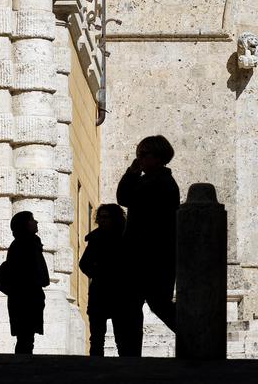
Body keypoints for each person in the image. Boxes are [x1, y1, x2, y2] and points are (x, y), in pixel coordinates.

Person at [117, 135, 180, 354]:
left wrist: (131, 175)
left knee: (156, 303)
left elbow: (125, 198)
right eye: (138, 154)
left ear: (159, 156)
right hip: (142, 254)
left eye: (144, 154)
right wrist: (133, 174)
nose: (139, 159)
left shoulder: (161, 183)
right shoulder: (149, 180)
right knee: (134, 305)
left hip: (152, 256)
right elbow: (124, 198)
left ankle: (195, 334)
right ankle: (130, 354)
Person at [80, 204, 140, 356]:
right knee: (96, 339)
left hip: (121, 294)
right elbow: (84, 263)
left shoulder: (126, 238)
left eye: (105, 217)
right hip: (99, 293)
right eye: (99, 217)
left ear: (115, 218)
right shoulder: (95, 238)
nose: (101, 220)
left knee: (122, 339)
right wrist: (99, 273)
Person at [6, 211, 50, 354]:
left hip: (27, 296)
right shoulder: (25, 244)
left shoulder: (29, 243)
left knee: (26, 337)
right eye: (32, 220)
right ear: (25, 225)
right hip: (25, 298)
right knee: (25, 338)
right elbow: (24, 273)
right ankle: (21, 368)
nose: (36, 222)